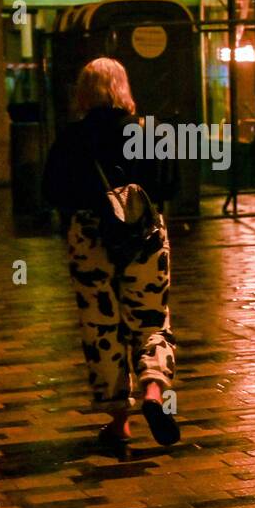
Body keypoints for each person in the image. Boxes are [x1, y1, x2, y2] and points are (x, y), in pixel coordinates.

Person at [43, 57, 180, 448]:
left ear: (84, 92)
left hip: (90, 238)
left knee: (101, 328)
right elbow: (169, 185)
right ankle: (154, 391)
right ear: (124, 87)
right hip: (145, 236)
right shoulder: (147, 132)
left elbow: (51, 191)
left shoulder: (72, 138)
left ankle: (120, 420)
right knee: (151, 318)